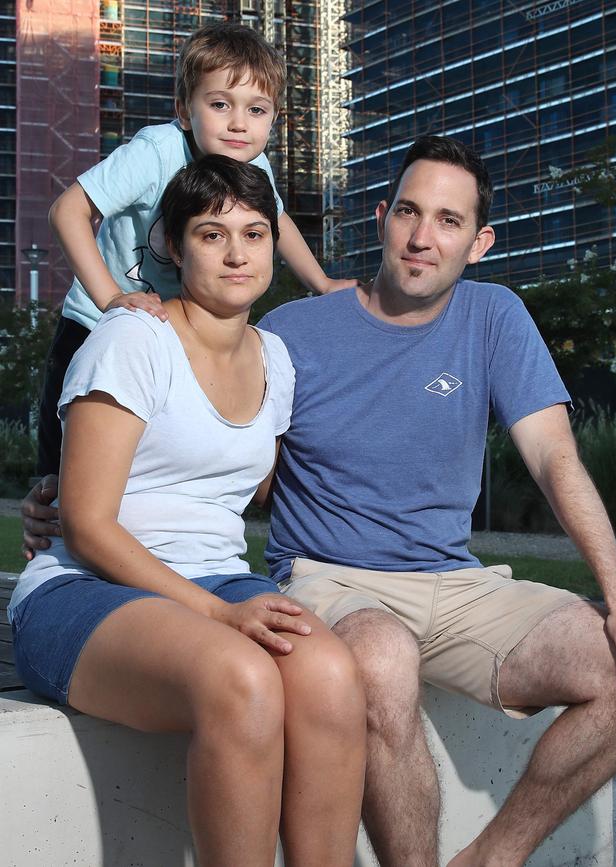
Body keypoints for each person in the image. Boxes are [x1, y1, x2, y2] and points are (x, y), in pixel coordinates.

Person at [24, 137, 616, 866]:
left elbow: (553, 456)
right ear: (381, 218)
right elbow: (156, 482)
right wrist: (67, 491)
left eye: (448, 221)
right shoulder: (250, 335)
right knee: (334, 665)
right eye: (409, 212)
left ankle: (489, 859)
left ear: (479, 243)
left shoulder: (451, 323)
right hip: (315, 578)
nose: (423, 236)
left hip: (442, 578)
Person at [13, 155, 365, 867]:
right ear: (174, 245)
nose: (237, 252)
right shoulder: (132, 339)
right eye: (211, 234)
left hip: (219, 581)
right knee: (242, 678)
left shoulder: (278, 360)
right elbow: (85, 523)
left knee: (331, 677)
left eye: (256, 232)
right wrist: (218, 615)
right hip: (87, 591)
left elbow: (257, 487)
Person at [37, 21, 357, 477]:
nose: (238, 124)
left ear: (274, 119)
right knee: (64, 473)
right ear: (186, 112)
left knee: (149, 465)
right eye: (220, 104)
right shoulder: (156, 151)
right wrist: (110, 300)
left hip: (175, 331)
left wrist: (321, 282)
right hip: (94, 324)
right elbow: (66, 211)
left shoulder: (255, 166)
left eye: (257, 110)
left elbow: (279, 220)